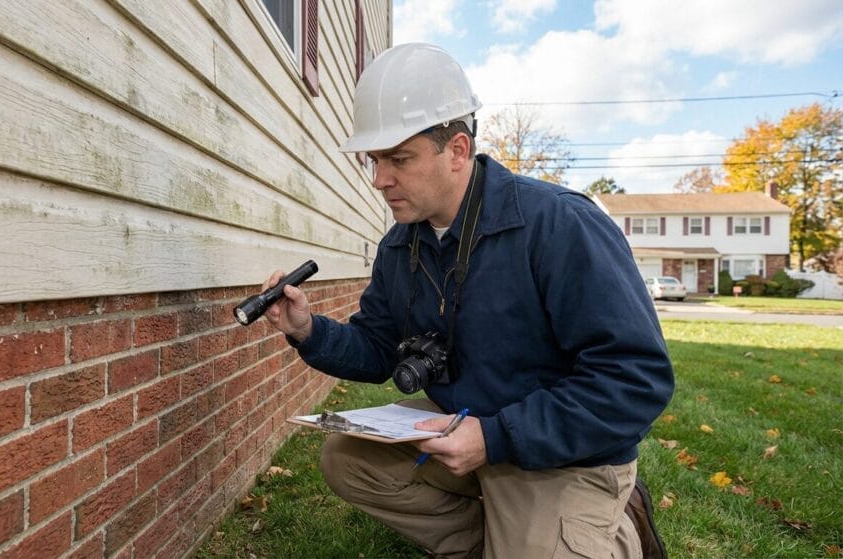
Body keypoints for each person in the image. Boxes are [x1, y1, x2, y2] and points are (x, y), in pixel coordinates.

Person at [261, 43, 674, 559]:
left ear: (457, 150)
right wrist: (307, 329)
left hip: (562, 456)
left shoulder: (558, 224)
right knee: (347, 458)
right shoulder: (401, 244)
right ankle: (500, 537)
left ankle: (616, 531)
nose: (379, 179)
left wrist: (497, 437)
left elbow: (635, 379)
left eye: (399, 159)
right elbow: (376, 348)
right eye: (375, 160)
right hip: (462, 434)